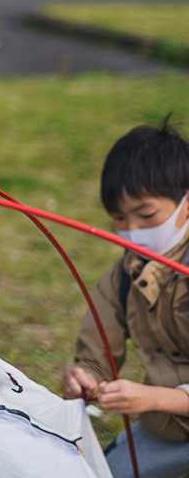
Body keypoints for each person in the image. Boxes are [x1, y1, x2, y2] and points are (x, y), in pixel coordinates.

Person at [63, 118, 189, 477]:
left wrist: (154, 398)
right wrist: (85, 377)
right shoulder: (124, 278)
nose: (133, 233)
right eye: (120, 219)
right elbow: (96, 352)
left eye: (147, 215)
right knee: (101, 473)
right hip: (167, 431)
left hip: (163, 407)